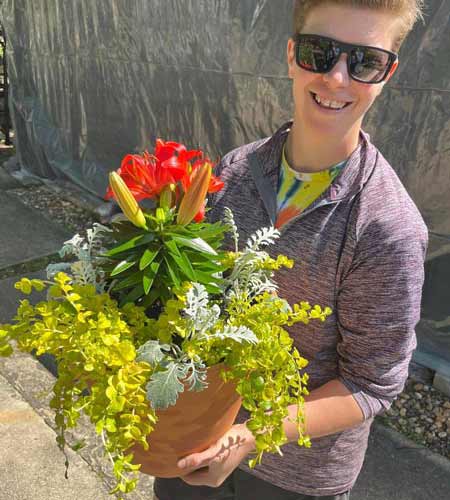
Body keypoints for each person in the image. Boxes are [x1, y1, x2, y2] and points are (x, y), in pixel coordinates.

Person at [153, 1, 428, 499]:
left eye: (364, 61)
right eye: (319, 52)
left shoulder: (387, 226)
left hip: (295, 477)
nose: (337, 78)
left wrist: (251, 434)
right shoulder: (235, 171)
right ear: (290, 55)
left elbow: (372, 384)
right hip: (189, 439)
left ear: (388, 73)